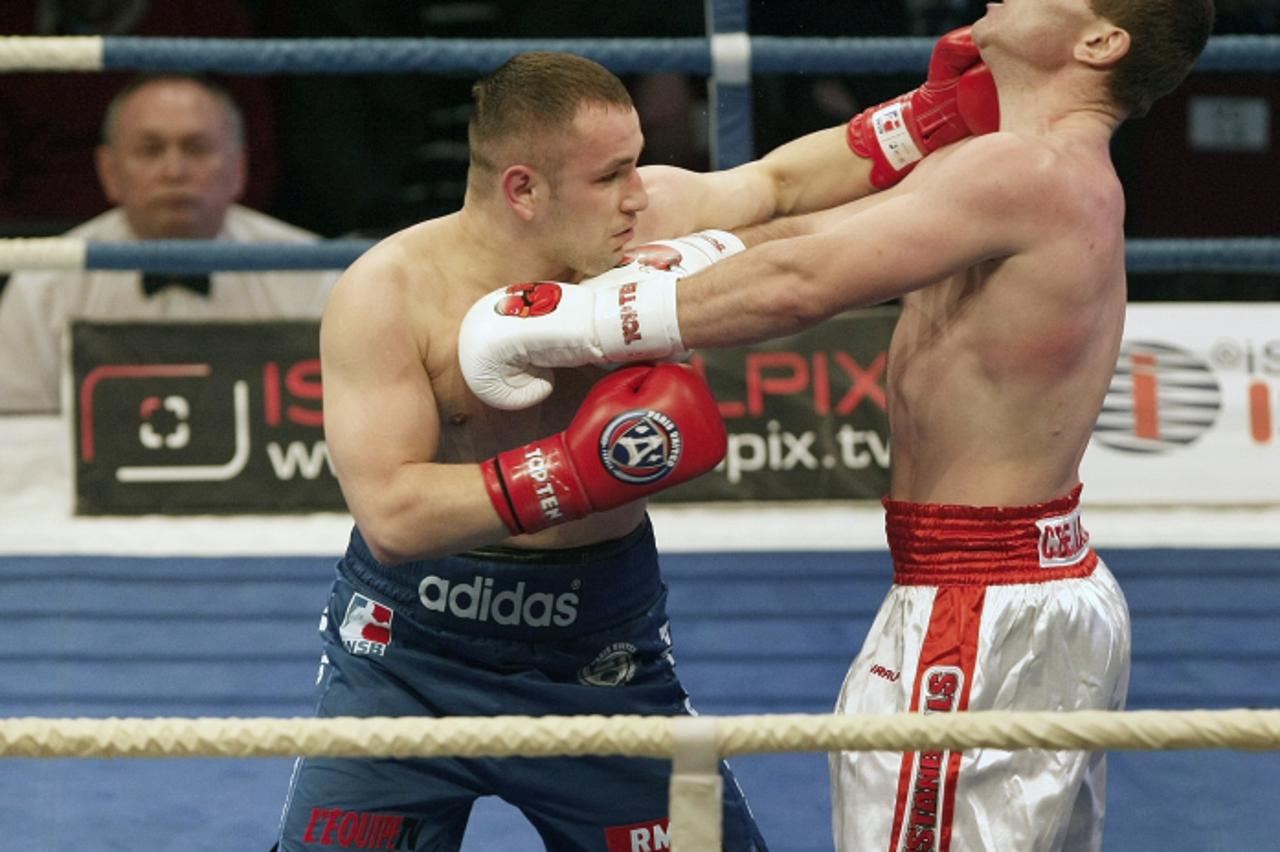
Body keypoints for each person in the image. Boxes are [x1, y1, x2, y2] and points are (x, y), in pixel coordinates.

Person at [456, 3, 1214, 850]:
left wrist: (568, 324)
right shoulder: (999, 158)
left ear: (1101, 42)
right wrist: (704, 251)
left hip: (981, 604)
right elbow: (826, 226)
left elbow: (803, 282)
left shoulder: (1026, 168)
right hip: (1021, 585)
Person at [273, 41, 998, 851]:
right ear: (523, 189)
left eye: (636, 166)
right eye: (609, 175)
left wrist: (937, 118)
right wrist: (582, 471)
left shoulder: (649, 217)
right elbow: (394, 516)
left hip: (598, 655)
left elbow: (782, 184)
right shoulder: (390, 291)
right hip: (406, 659)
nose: (637, 195)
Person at [0, 75, 335, 413]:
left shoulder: (311, 272)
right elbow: (17, 430)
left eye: (197, 148)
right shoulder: (44, 284)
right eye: (150, 150)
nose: (174, 171)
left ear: (238, 168)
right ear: (109, 171)